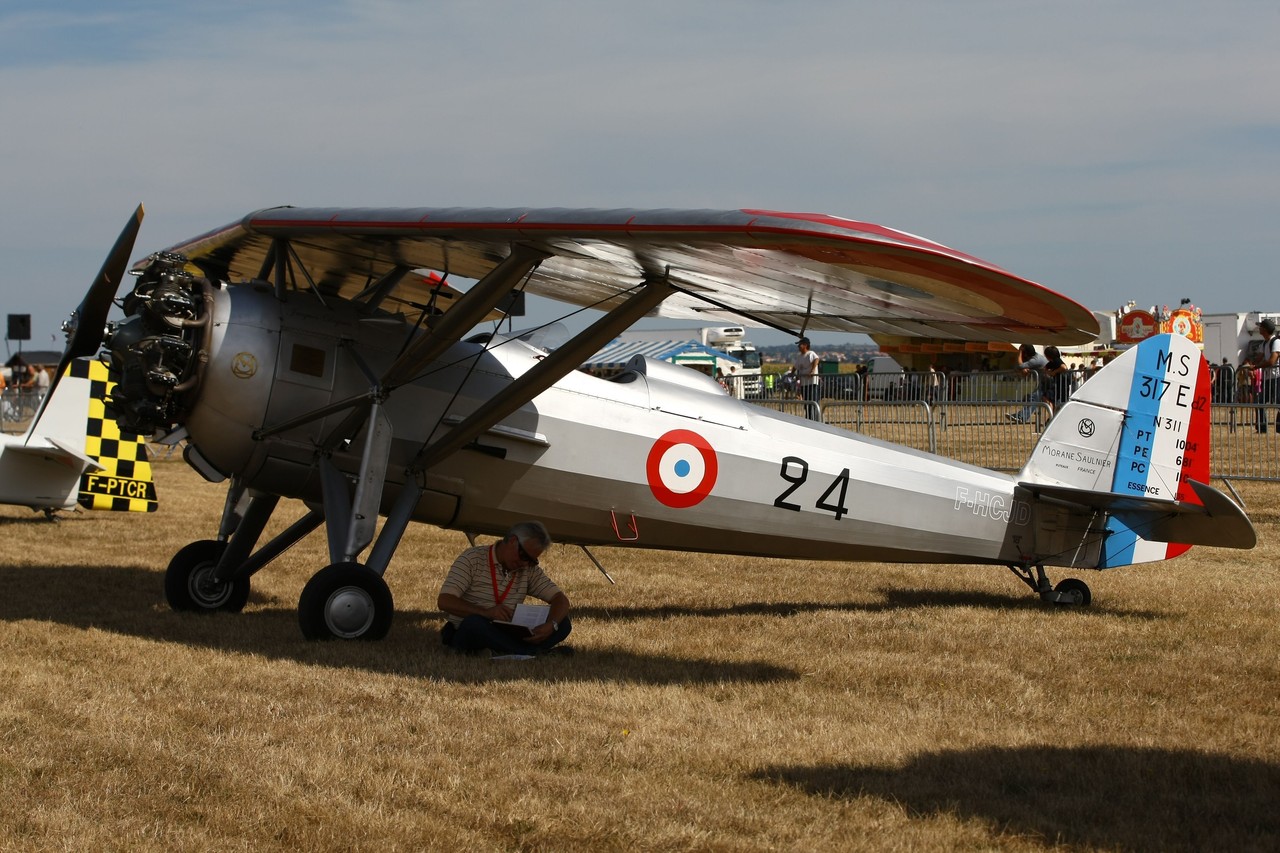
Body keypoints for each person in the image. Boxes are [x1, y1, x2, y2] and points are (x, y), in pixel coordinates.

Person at [437, 521, 572, 657]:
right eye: (524, 556)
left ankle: (507, 651)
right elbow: (445, 601)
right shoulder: (472, 559)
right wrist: (486, 613)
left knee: (563, 623)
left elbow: (560, 599)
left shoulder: (528, 570)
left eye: (532, 561)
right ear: (513, 541)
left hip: (507, 631)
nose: (525, 564)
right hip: (472, 628)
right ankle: (530, 652)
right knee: (474, 623)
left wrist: (551, 624)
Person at [1007, 343, 1048, 423]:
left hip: (1049, 382)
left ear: (1025, 353)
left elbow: (1020, 366)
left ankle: (1022, 416)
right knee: (1033, 398)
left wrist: (1019, 352)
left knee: (1034, 398)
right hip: (1046, 382)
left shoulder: (1035, 360)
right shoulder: (1036, 358)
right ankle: (1022, 416)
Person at [1253, 318, 1280, 433]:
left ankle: (1279, 427)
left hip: (1277, 378)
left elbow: (1271, 361)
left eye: (1260, 327)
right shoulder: (1264, 343)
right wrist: (1250, 364)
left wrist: (1256, 366)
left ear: (1264, 329)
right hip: (1268, 378)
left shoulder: (1276, 342)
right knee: (1260, 402)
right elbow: (1258, 357)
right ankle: (1262, 428)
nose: (1259, 329)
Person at [792, 337, 820, 420]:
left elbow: (816, 359)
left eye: (800, 345)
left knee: (813, 403)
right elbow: (795, 366)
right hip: (804, 384)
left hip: (812, 383)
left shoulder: (811, 353)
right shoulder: (800, 356)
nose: (799, 346)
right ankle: (809, 419)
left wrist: (812, 370)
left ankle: (815, 420)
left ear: (805, 345)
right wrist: (792, 373)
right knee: (806, 404)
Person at [1040, 345, 1071, 418]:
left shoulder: (1057, 360)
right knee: (1053, 400)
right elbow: (1045, 368)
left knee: (1059, 402)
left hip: (1062, 384)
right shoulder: (1052, 362)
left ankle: (1054, 417)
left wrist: (1054, 372)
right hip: (1058, 384)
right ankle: (1053, 417)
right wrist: (1047, 372)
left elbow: (1064, 367)